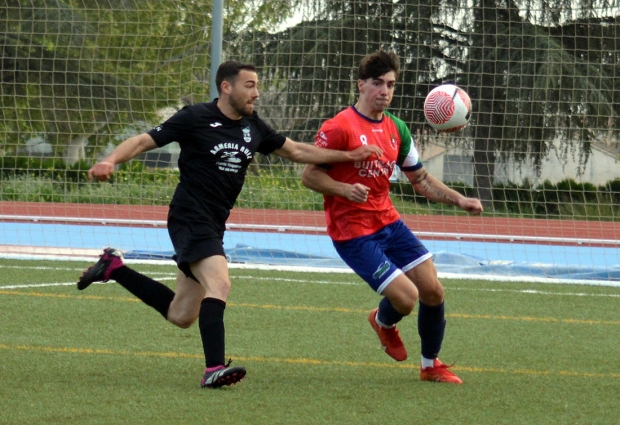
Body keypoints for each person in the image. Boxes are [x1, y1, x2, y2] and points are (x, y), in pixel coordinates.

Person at [77, 60, 382, 389]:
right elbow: (141, 141)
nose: (257, 93)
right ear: (226, 87)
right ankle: (213, 369)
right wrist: (110, 160)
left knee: (181, 314)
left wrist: (348, 156)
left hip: (214, 223)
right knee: (219, 285)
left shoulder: (254, 126)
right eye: (249, 86)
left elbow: (296, 151)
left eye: (257, 86)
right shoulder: (195, 117)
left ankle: (113, 267)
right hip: (189, 216)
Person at [301, 51, 483, 384]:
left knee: (433, 291)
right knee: (407, 297)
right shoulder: (339, 127)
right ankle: (383, 322)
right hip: (353, 232)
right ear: (361, 85)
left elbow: (421, 180)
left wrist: (459, 199)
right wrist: (343, 190)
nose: (384, 91)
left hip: (388, 222)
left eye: (391, 84)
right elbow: (309, 175)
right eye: (377, 83)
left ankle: (431, 366)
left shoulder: (397, 128)